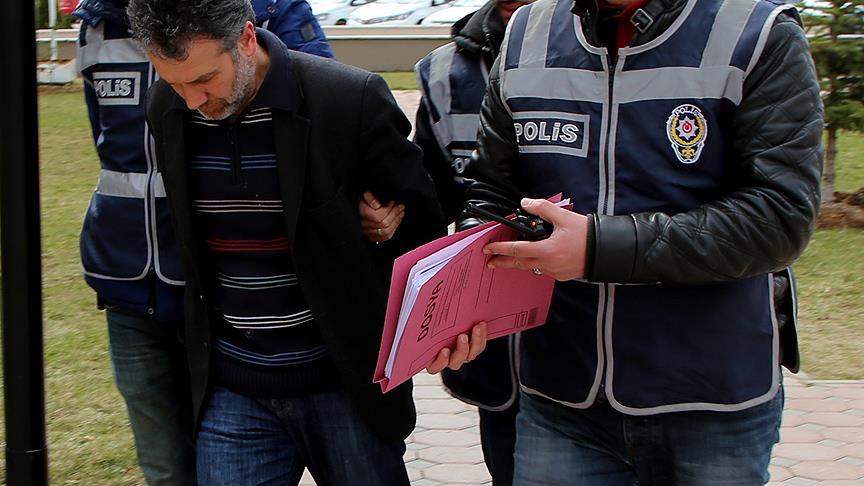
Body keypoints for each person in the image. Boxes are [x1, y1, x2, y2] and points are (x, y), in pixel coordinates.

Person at [461, 0, 823, 483]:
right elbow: (493, 191)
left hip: (711, 398)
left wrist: (597, 250)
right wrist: (461, 300)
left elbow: (779, 217)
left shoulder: (756, 31)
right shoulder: (528, 31)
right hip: (562, 392)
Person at [127, 0, 487, 483]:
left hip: (344, 386)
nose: (193, 101)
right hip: (234, 388)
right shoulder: (165, 107)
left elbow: (423, 225)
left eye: (204, 79)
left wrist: (384, 236)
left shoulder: (348, 99)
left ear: (246, 39)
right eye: (175, 84)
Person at [73, 0, 333, 483]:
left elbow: (324, 116)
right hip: (128, 282)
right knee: (166, 469)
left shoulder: (270, 10)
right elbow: (109, 146)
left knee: (244, 460)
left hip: (227, 293)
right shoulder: (95, 26)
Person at [413, 0, 533, 483]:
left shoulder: (612, 52)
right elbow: (430, 199)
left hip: (604, 346)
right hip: (496, 348)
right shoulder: (444, 71)